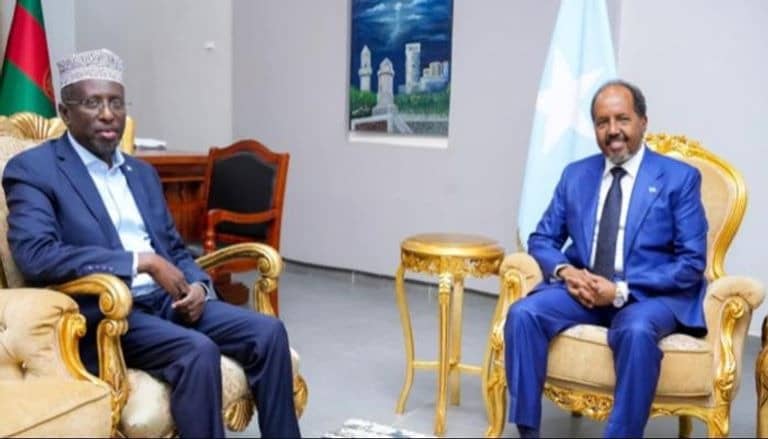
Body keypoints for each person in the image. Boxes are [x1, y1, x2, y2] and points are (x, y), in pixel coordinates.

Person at [2, 49, 301, 438]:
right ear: (65, 113)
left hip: (167, 301)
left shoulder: (141, 172)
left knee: (269, 333)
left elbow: (174, 248)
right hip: (107, 314)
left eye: (116, 103)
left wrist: (199, 286)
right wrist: (139, 261)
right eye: (92, 103)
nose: (108, 114)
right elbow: (36, 255)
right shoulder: (34, 170)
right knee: (197, 351)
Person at [504, 79, 708, 438]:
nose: (613, 130)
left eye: (622, 119)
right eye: (602, 122)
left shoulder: (679, 179)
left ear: (643, 122)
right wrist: (567, 272)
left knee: (635, 331)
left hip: (647, 296)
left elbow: (691, 263)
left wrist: (619, 290)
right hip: (585, 291)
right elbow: (542, 238)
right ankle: (527, 432)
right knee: (523, 314)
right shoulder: (576, 175)